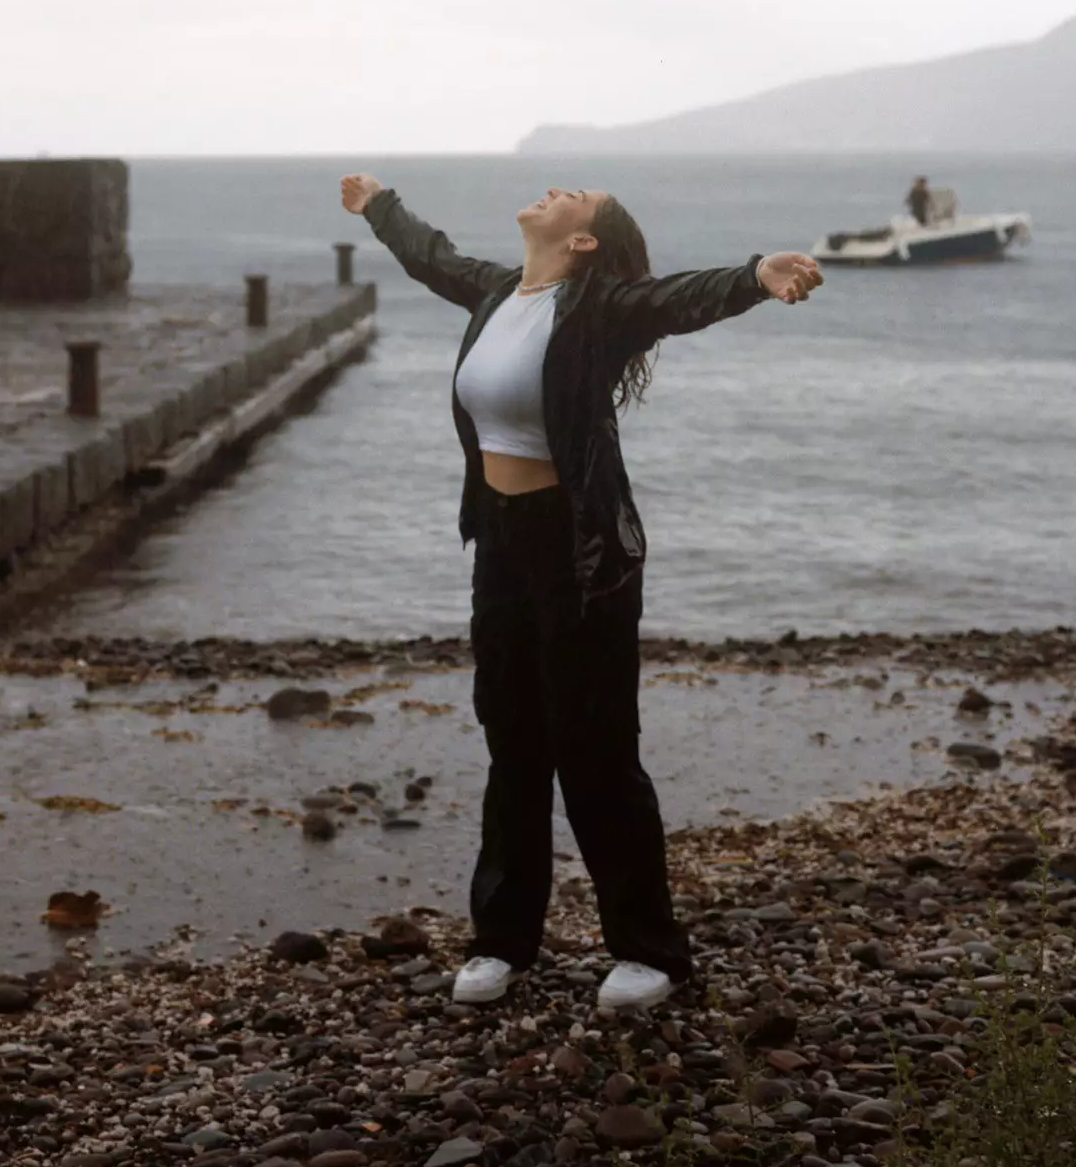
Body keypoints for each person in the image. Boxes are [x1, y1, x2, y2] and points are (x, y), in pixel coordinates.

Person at [339, 174, 822, 1011]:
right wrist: (379, 206)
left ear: (584, 241)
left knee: (594, 747)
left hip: (581, 546)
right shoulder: (496, 292)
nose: (556, 188)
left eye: (579, 194)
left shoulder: (602, 306)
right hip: (499, 539)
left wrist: (753, 276)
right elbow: (430, 256)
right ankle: (502, 941)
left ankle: (649, 952)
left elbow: (677, 298)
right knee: (513, 740)